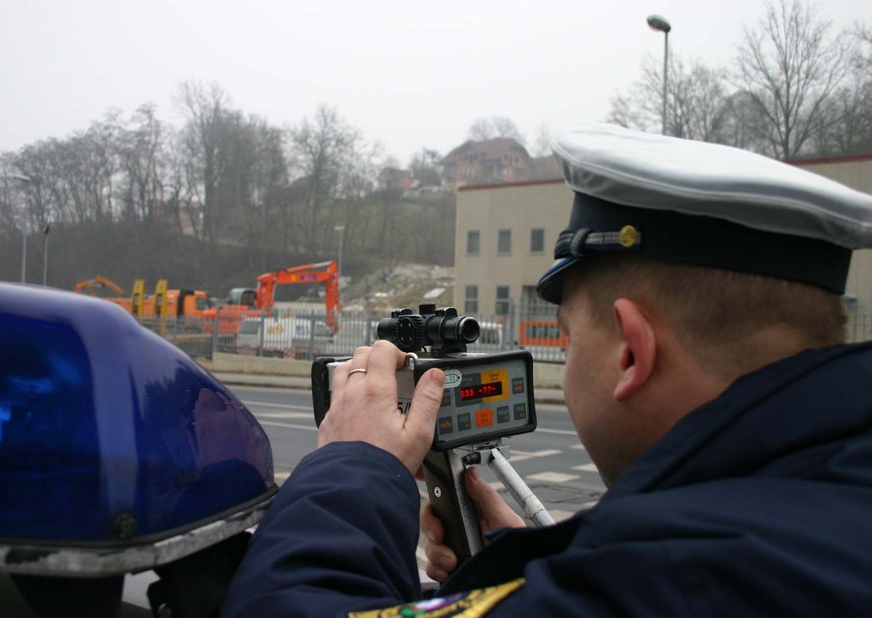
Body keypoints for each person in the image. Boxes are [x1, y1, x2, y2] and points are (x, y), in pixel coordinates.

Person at [222, 125, 872, 616]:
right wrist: (532, 561)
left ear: (630, 352)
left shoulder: (656, 583)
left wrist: (351, 467)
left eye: (570, 335)